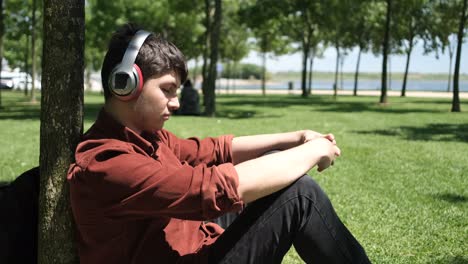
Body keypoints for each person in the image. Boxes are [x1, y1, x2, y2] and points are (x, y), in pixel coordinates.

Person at [67, 23, 371, 264]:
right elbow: (210, 189)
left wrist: (297, 138)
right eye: (167, 90)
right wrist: (312, 151)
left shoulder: (148, 139)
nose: (175, 103)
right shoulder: (107, 162)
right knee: (299, 195)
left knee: (279, 169)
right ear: (125, 84)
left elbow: (213, 151)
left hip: (198, 245)